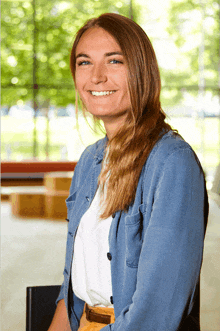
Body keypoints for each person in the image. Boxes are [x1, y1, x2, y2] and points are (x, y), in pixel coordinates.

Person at [48, 13, 208, 331]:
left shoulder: (172, 163)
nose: (96, 77)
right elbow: (73, 284)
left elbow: (156, 314)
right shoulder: (90, 160)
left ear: (141, 71)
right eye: (84, 62)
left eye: (114, 61)